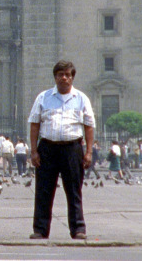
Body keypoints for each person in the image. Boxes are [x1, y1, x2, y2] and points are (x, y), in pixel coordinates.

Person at [28, 60, 95, 240]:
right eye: (60, 74)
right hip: (47, 148)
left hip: (72, 148)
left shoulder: (81, 98)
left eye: (67, 74)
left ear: (72, 77)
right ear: (55, 77)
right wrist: (34, 151)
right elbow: (34, 124)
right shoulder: (43, 97)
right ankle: (40, 230)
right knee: (43, 191)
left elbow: (89, 126)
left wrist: (88, 152)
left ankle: (78, 228)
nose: (63, 78)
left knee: (74, 190)